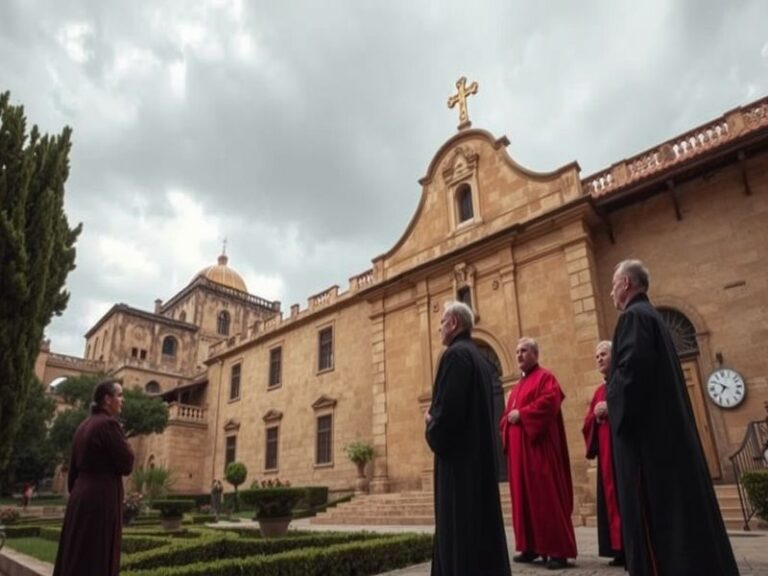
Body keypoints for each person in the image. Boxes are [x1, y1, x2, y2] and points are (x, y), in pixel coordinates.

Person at [607, 259, 739, 576]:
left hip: (650, 450)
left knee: (659, 526)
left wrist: (609, 395)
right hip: (667, 441)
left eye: (614, 284)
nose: (612, 291)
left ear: (626, 284)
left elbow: (630, 377)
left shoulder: (633, 318)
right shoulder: (653, 318)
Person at [425, 301, 511, 576]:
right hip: (481, 464)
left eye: (441, 323)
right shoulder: (483, 362)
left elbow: (448, 416)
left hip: (458, 467)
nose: (439, 329)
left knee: (459, 534)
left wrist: (431, 423)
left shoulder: (453, 356)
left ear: (453, 324)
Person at [500, 337, 577, 570]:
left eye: (524, 350)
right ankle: (530, 547)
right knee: (524, 501)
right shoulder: (514, 390)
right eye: (517, 351)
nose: (519, 355)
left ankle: (557, 551)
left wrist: (522, 415)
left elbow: (550, 403)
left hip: (539, 453)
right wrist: (509, 420)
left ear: (535, 354)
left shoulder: (546, 378)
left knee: (546, 498)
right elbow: (505, 418)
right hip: (519, 459)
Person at [53, 379, 135, 576]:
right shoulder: (108, 424)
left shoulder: (84, 425)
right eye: (120, 395)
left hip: (80, 497)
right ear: (107, 399)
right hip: (101, 498)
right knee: (96, 554)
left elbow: (73, 472)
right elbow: (127, 463)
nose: (122, 400)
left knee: (76, 553)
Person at [582, 341, 623, 567]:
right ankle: (617, 548)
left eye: (603, 354)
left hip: (622, 454)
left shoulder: (622, 383)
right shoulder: (599, 391)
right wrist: (596, 416)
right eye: (596, 356)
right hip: (607, 457)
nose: (599, 359)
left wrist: (612, 408)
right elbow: (587, 423)